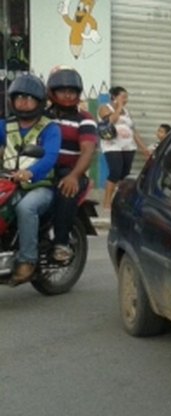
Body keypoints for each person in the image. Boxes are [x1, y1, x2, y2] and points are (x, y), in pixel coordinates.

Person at [3, 74, 61, 285]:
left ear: (39, 102)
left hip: (39, 186)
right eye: (19, 97)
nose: (23, 102)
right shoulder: (6, 125)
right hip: (9, 183)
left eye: (29, 98)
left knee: (25, 208)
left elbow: (51, 157)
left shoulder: (50, 128)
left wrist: (30, 172)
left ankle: (28, 260)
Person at [45, 66, 96, 264]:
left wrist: (74, 176)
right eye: (62, 90)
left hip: (71, 171)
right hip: (41, 169)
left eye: (72, 91)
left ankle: (61, 244)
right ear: (52, 92)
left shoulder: (84, 119)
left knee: (66, 191)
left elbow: (88, 150)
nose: (67, 95)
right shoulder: (43, 115)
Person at [98, 85, 148, 211]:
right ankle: (107, 202)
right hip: (112, 145)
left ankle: (120, 200)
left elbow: (134, 132)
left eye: (127, 97)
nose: (126, 100)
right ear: (114, 97)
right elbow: (111, 121)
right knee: (115, 172)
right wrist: (119, 106)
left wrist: (144, 149)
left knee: (124, 175)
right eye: (123, 97)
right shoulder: (104, 108)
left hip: (128, 146)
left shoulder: (127, 112)